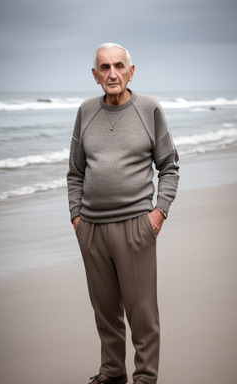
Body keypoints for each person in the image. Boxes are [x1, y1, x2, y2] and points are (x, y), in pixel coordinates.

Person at [67, 43, 179, 384]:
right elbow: (75, 171)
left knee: (142, 313)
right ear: (95, 74)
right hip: (92, 229)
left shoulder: (148, 109)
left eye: (118, 66)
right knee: (105, 311)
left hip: (136, 226)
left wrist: (159, 213)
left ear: (131, 71)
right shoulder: (86, 111)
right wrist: (77, 217)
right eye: (104, 67)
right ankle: (113, 372)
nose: (112, 74)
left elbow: (169, 167)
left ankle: (144, 377)